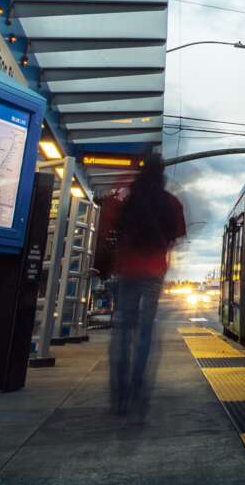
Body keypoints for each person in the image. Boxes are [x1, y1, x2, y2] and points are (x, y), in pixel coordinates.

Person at [100, 156, 186, 419]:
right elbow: (177, 235)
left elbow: (108, 225)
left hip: (127, 270)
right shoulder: (171, 201)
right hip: (154, 272)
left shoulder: (127, 196)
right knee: (146, 331)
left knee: (123, 329)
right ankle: (138, 389)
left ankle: (119, 394)